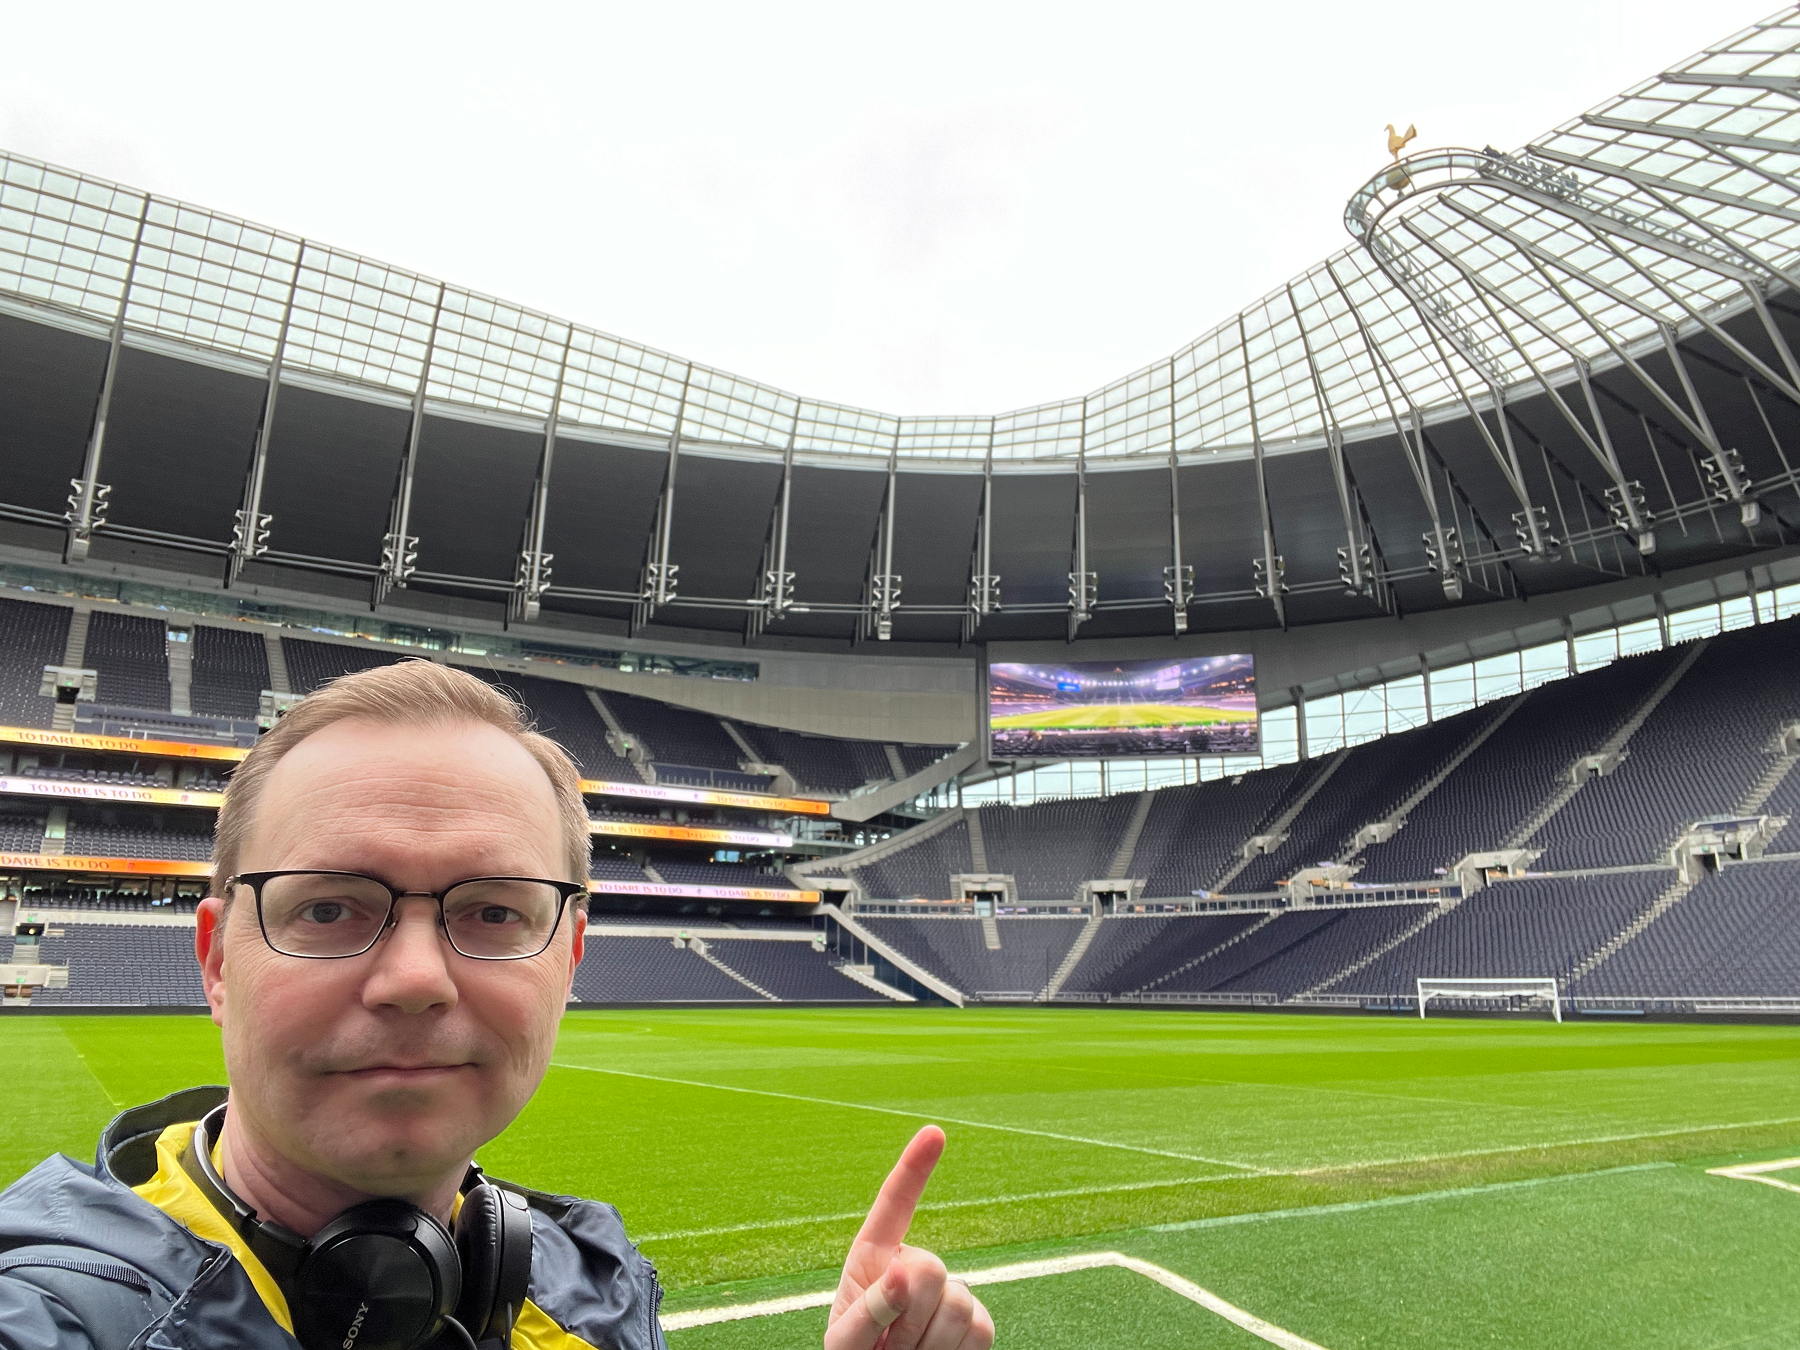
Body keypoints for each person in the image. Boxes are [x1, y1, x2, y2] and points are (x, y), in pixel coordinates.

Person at [0, 662, 994, 1350]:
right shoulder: (49, 1312)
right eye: (332, 906)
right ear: (218, 961)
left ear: (567, 959)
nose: (417, 979)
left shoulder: (592, 1290)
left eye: (491, 910)